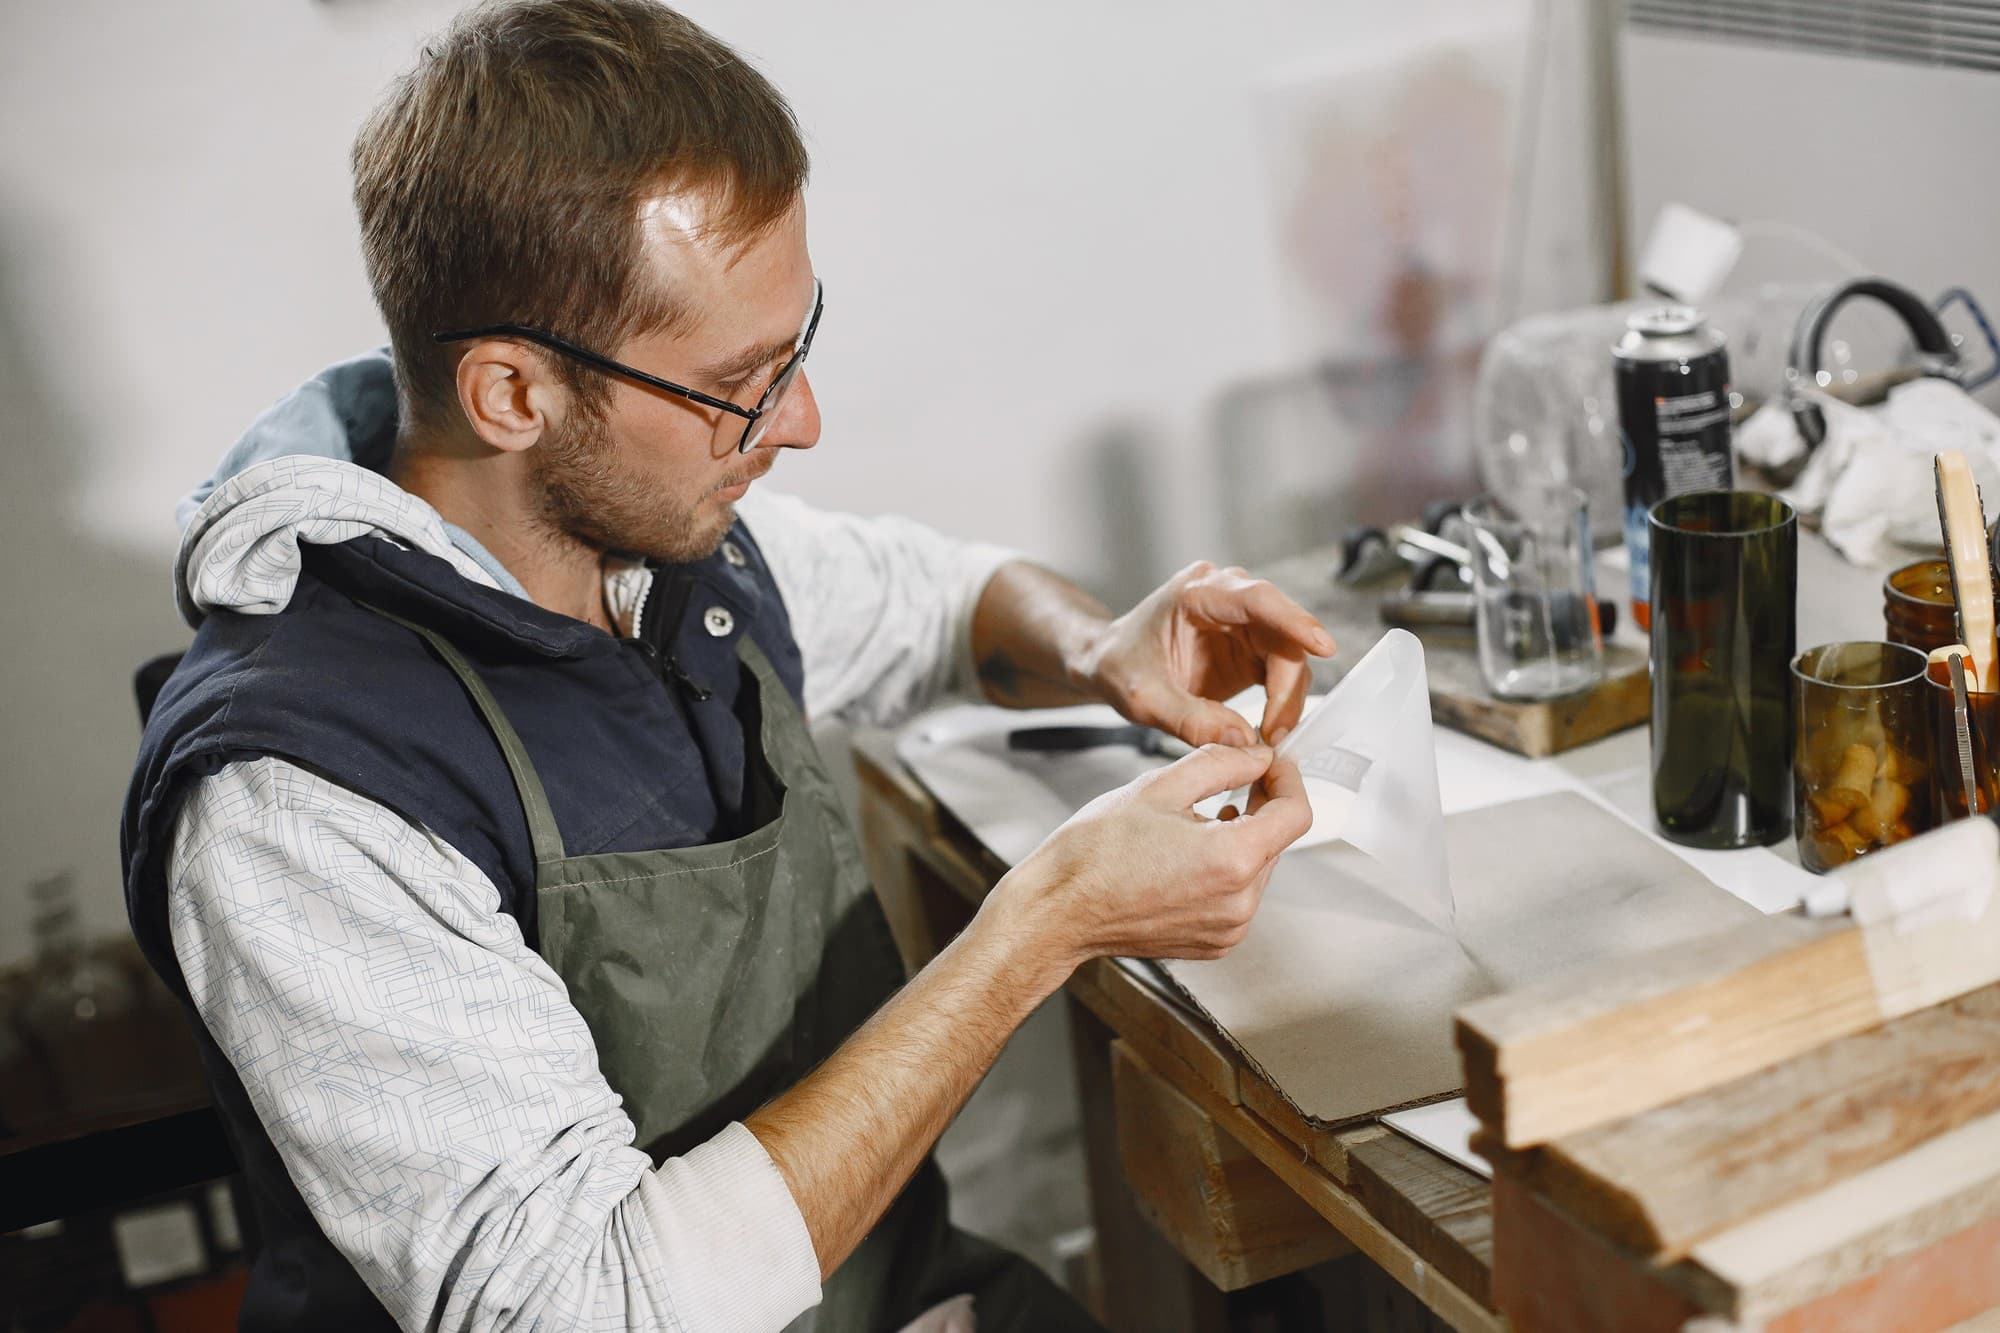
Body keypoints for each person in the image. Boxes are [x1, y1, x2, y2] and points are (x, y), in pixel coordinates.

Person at [121, 2, 1334, 1328]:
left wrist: (1095, 644)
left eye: (798, 344)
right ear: (512, 396)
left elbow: (939, 602)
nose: (801, 422)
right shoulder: (303, 795)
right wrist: (1041, 927)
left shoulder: (659, 548)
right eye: (744, 382)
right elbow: (583, 1307)